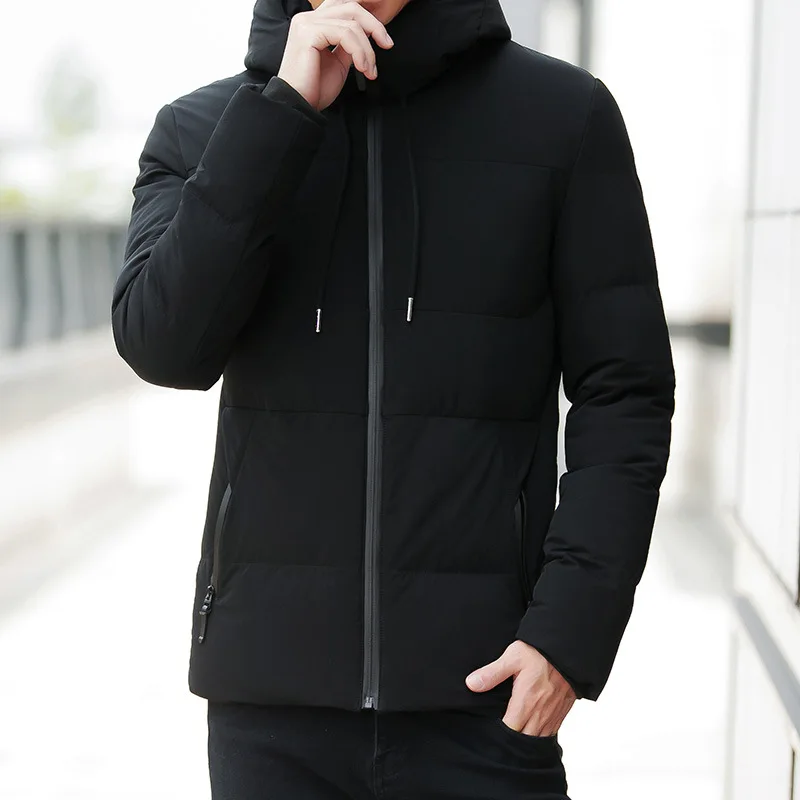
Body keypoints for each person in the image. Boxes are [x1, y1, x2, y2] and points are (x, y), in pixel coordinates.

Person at [112, 0, 675, 797]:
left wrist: (569, 633)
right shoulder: (205, 131)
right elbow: (162, 345)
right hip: (272, 716)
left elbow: (626, 392)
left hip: (485, 701)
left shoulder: (563, 118)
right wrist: (280, 117)